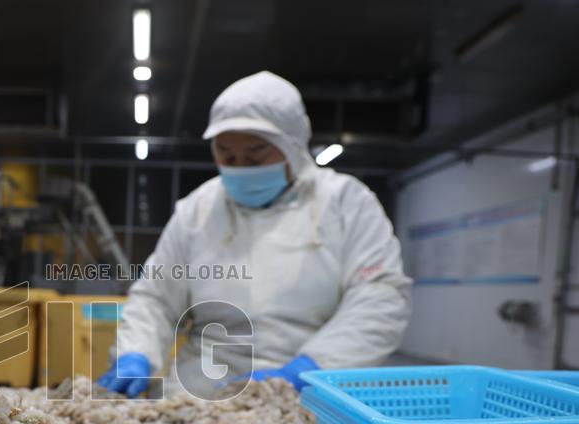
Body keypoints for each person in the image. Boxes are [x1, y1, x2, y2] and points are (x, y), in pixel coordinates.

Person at [98, 71, 411, 398]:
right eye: (226, 155)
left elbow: (380, 295)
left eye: (256, 154)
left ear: (291, 146)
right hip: (200, 391)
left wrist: (312, 368)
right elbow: (157, 298)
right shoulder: (198, 211)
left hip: (312, 393)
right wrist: (136, 354)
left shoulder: (345, 203)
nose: (240, 167)